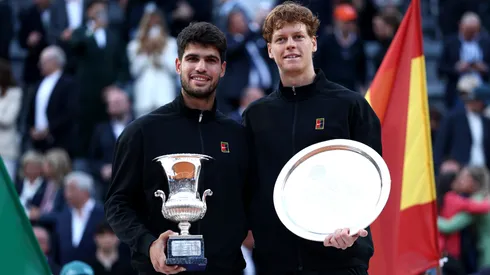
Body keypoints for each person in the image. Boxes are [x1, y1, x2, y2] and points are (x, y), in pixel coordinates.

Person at [242, 2, 382, 275]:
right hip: (275, 264)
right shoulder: (255, 115)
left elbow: (370, 181)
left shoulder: (351, 105)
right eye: (281, 39)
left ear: (314, 43)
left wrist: (353, 228)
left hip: (341, 260)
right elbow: (249, 185)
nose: (290, 45)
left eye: (298, 37)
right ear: (270, 50)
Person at [105, 22, 250, 275]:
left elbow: (252, 204)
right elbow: (117, 204)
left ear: (223, 68)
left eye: (211, 60)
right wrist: (148, 245)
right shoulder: (141, 132)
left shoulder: (237, 135)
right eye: (192, 58)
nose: (201, 67)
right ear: (178, 65)